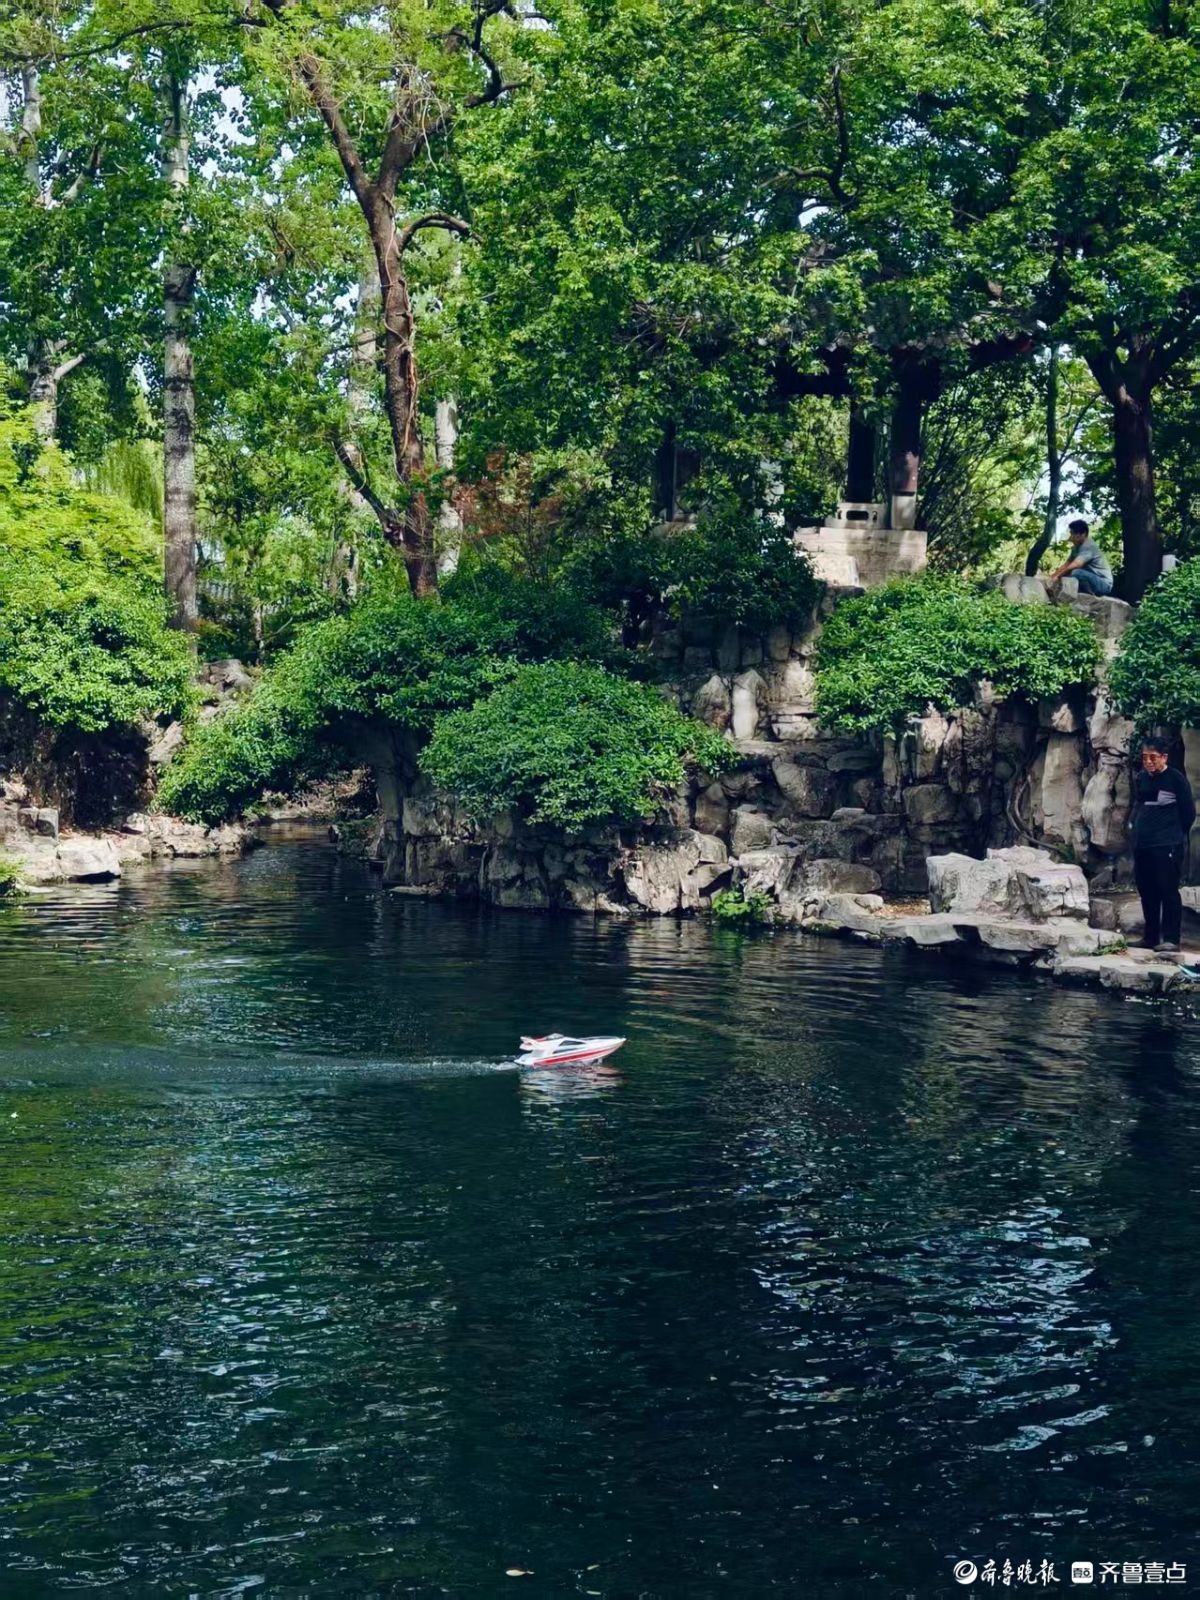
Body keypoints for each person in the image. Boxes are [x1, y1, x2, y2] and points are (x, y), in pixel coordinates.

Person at [1130, 737, 1195, 953]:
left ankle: (1171, 939)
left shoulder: (1176, 779)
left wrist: (1174, 834)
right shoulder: (1141, 778)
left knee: (1168, 890)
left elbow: (1188, 813)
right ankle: (1150, 937)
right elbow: (1138, 804)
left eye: (1153, 757)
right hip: (1143, 845)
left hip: (1168, 844)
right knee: (1147, 890)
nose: (1148, 762)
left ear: (1164, 757)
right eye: (1144, 758)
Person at [1046, 519, 1114, 595]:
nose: (1071, 536)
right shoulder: (1076, 547)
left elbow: (1076, 564)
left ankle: (1089, 596)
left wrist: (1058, 576)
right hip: (1091, 578)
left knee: (1076, 572)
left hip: (1104, 584)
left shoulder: (1088, 546)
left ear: (1083, 534)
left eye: (1074, 533)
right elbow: (1067, 564)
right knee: (1068, 574)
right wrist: (1052, 577)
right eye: (1071, 533)